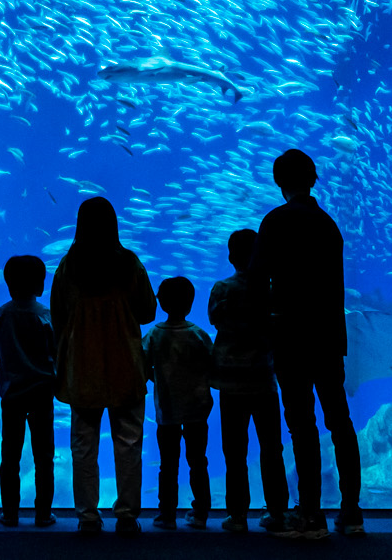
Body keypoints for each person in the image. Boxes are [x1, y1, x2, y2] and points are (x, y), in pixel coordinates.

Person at [252, 148, 362, 539]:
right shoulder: (329, 225)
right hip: (328, 338)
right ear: (313, 179)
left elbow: (258, 277)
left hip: (290, 337)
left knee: (302, 425)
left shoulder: (275, 222)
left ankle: (311, 513)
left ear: (279, 182)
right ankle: (351, 511)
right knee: (340, 422)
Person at [50, 195, 156, 533]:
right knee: (128, 441)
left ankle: (87, 516)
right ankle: (126, 515)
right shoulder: (128, 264)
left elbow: (58, 316)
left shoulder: (69, 266)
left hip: (82, 368)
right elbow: (148, 311)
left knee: (84, 442)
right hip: (125, 364)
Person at [209, 228, 289, 534]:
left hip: (231, 385)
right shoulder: (269, 290)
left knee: (235, 451)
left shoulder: (221, 289)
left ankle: (238, 515)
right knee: (271, 448)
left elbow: (216, 319)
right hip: (264, 381)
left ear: (230, 257)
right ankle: (277, 511)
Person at [0, 254, 56, 528]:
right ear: (40, 285)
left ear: (8, 284)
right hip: (41, 394)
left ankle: (10, 514)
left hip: (12, 394)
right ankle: (43, 515)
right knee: (44, 457)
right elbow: (56, 353)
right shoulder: (47, 316)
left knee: (10, 456)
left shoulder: (1, 314)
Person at [146, 276, 214, 530]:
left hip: (167, 411)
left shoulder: (154, 335)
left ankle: (167, 515)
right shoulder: (198, 334)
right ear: (190, 303)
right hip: (197, 410)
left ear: (161, 303)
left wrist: (155, 378)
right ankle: (201, 513)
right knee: (198, 461)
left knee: (168, 463)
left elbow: (143, 365)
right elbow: (212, 365)